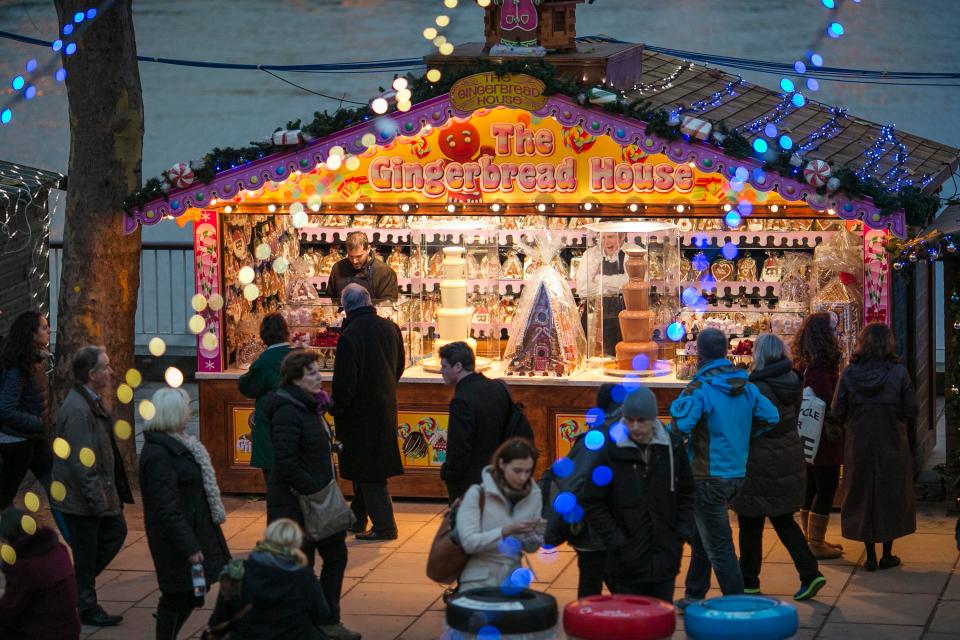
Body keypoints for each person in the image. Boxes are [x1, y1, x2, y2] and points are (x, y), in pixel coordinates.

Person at [669, 328, 779, 609]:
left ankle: (737, 604)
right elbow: (771, 417)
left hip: (706, 477)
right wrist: (743, 436)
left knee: (719, 546)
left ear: (699, 353)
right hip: (736, 475)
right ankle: (694, 594)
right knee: (702, 536)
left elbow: (680, 427)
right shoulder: (746, 386)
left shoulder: (700, 389)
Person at [267, 349, 358, 640]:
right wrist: (314, 490)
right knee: (309, 562)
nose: (320, 377)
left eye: (318, 371)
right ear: (295, 379)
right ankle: (320, 621)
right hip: (299, 504)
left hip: (314, 499)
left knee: (331, 556)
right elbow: (286, 461)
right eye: (312, 373)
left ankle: (322, 619)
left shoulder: (311, 406)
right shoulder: (288, 410)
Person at [730, 334, 826, 601]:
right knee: (784, 519)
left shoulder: (755, 388)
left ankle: (749, 582)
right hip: (788, 456)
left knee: (750, 523)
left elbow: (746, 425)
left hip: (758, 460)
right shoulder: (794, 380)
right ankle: (810, 573)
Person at [581, 386, 695, 602]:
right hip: (624, 562)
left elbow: (687, 492)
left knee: (660, 623)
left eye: (641, 420)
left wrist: (680, 533)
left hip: (664, 556)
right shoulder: (610, 449)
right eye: (630, 419)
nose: (635, 427)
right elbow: (592, 500)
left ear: (653, 418)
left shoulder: (673, 447)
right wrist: (615, 540)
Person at [140, 387, 231, 640]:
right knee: (179, 595)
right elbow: (166, 508)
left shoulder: (179, 444)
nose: (189, 413)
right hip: (178, 540)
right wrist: (190, 547)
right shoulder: (160, 454)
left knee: (194, 593)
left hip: (195, 530)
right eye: (186, 408)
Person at [52, 345, 134, 627]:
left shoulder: (90, 401)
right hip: (82, 499)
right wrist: (100, 502)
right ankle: (82, 602)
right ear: (92, 374)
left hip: (94, 493)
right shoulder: (78, 410)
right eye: (105, 367)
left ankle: (72, 592)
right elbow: (82, 464)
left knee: (109, 537)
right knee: (89, 551)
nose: (111, 371)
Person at [832, 322, 918, 571]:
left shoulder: (850, 373)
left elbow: (837, 410)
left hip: (859, 441)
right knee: (890, 493)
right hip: (891, 439)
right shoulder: (899, 373)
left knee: (861, 492)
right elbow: (911, 408)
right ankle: (887, 553)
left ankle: (869, 554)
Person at [332, 284, 405, 541]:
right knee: (366, 466)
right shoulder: (390, 327)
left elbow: (345, 381)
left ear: (347, 307)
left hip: (358, 413)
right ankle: (357, 519)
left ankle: (385, 526)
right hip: (384, 406)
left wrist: (336, 406)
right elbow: (399, 366)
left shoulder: (351, 335)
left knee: (369, 470)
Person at [541, 383, 621, 599]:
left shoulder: (591, 438)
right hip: (595, 529)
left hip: (588, 530)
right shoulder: (607, 441)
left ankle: (585, 623)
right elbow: (582, 486)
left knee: (591, 581)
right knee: (618, 584)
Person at [207, 519, 329, 640]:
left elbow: (217, 620)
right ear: (296, 544)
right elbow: (321, 615)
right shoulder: (304, 577)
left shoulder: (238, 572)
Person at [455, 438, 543, 592]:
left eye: (528, 471)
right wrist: (505, 531)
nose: (523, 477)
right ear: (502, 464)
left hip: (514, 582)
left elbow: (530, 548)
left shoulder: (534, 495)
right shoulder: (477, 493)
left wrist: (536, 534)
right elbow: (469, 543)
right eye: (517, 471)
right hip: (478, 582)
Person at [792, 312, 845, 558]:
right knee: (826, 486)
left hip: (807, 434)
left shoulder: (805, 363)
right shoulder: (822, 368)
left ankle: (810, 539)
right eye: (834, 330)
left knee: (811, 485)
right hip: (823, 437)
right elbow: (829, 402)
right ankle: (815, 543)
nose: (837, 334)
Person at [438, 341, 514, 504]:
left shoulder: (461, 400)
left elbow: (459, 446)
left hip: (472, 482)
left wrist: (448, 473)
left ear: (458, 366)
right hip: (499, 474)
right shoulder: (498, 387)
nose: (441, 371)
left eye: (444, 366)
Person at [0, 506, 81, 639]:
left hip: (43, 632)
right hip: (69, 627)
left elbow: (9, 607)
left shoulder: (24, 566)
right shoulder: (57, 548)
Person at [0, 311, 54, 509]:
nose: (49, 331)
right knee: (5, 497)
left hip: (34, 438)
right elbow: (5, 409)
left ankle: (77, 538)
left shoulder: (34, 360)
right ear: (31, 334)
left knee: (57, 490)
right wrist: (38, 423)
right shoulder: (18, 367)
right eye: (44, 327)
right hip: (18, 443)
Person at [238, 312, 293, 486]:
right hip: (295, 425)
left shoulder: (263, 362)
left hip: (270, 425)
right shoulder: (299, 356)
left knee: (274, 483)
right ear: (286, 332)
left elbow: (248, 387)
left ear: (264, 335)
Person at [575, 232, 628, 356]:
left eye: (610, 236)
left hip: (623, 312)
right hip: (594, 314)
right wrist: (617, 283)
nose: (606, 242)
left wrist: (598, 279)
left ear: (622, 237)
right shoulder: (590, 255)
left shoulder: (631, 253)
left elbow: (631, 284)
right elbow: (583, 289)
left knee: (622, 357)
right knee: (593, 359)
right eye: (602, 237)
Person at [326, 231, 398, 303]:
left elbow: (388, 307)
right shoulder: (338, 268)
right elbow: (330, 300)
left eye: (359, 256)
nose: (354, 261)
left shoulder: (384, 272)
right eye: (351, 256)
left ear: (368, 249)